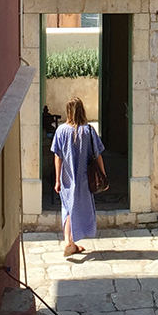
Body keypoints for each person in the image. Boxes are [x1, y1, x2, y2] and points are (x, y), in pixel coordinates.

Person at [51, 96, 106, 258]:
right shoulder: (88, 131)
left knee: (68, 208)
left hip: (66, 177)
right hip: (84, 179)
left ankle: (71, 242)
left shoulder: (61, 131)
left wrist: (57, 179)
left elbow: (57, 156)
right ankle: (69, 243)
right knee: (76, 209)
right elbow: (98, 155)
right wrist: (103, 175)